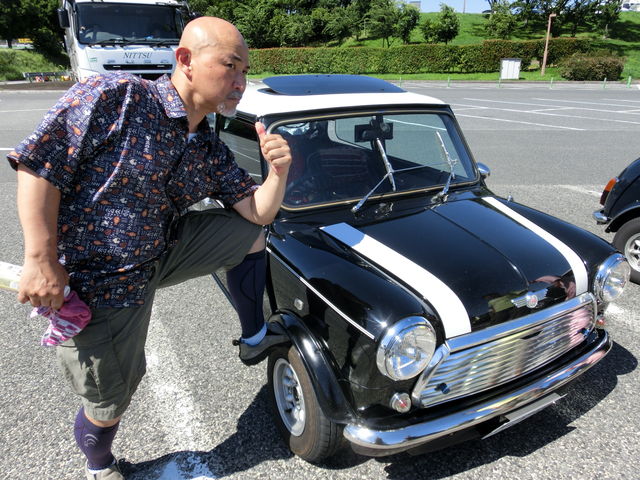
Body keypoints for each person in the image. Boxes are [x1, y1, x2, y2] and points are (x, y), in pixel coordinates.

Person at [7, 17, 291, 480]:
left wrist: (278, 173)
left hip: (159, 250)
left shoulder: (207, 145)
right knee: (111, 397)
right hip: (101, 278)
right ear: (186, 60)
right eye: (230, 66)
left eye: (245, 71)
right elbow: (40, 163)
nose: (241, 81)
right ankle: (100, 466)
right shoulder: (117, 95)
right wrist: (40, 258)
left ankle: (254, 335)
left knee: (247, 234)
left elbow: (257, 213)